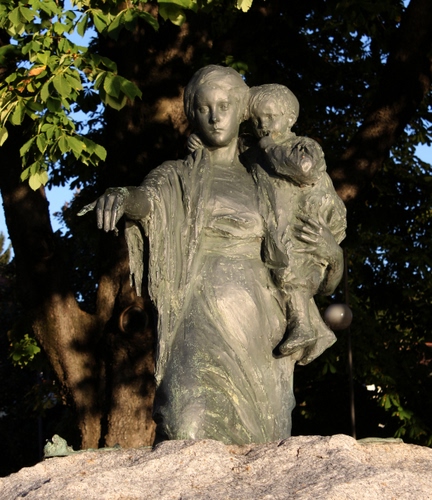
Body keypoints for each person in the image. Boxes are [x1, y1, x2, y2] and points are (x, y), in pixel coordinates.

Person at [79, 66, 344, 444]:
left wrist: (333, 255)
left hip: (259, 322)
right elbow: (148, 201)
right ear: (192, 115)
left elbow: (321, 276)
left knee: (262, 439)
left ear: (241, 111)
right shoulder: (177, 175)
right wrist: (122, 197)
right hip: (196, 315)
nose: (215, 117)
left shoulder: (268, 176)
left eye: (224, 106)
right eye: (204, 108)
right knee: (184, 424)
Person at [242, 83, 347, 361]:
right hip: (274, 224)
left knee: (288, 263)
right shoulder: (252, 152)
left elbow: (305, 169)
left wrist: (269, 147)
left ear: (290, 118)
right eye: (257, 120)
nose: (263, 125)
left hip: (303, 225)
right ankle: (312, 330)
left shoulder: (302, 146)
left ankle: (304, 327)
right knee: (279, 262)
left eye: (270, 117)